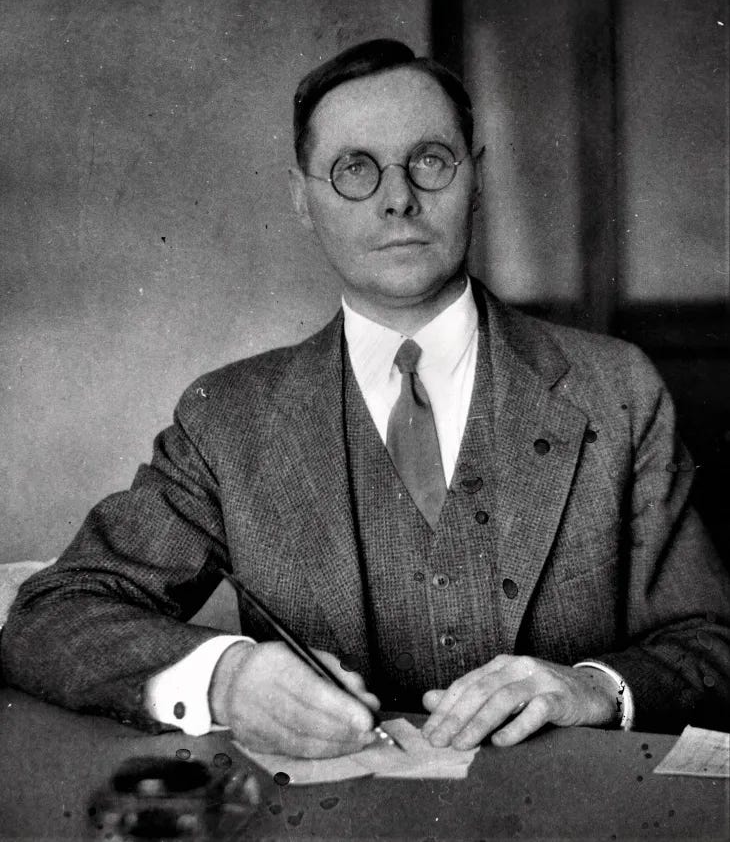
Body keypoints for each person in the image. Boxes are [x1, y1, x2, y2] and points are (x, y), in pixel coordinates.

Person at [2, 39, 729, 760]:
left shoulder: (617, 389)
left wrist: (597, 685)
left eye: (431, 160)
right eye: (355, 169)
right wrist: (226, 677)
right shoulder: (229, 419)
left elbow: (713, 643)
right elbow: (50, 615)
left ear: (477, 177)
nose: (398, 197)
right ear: (302, 198)